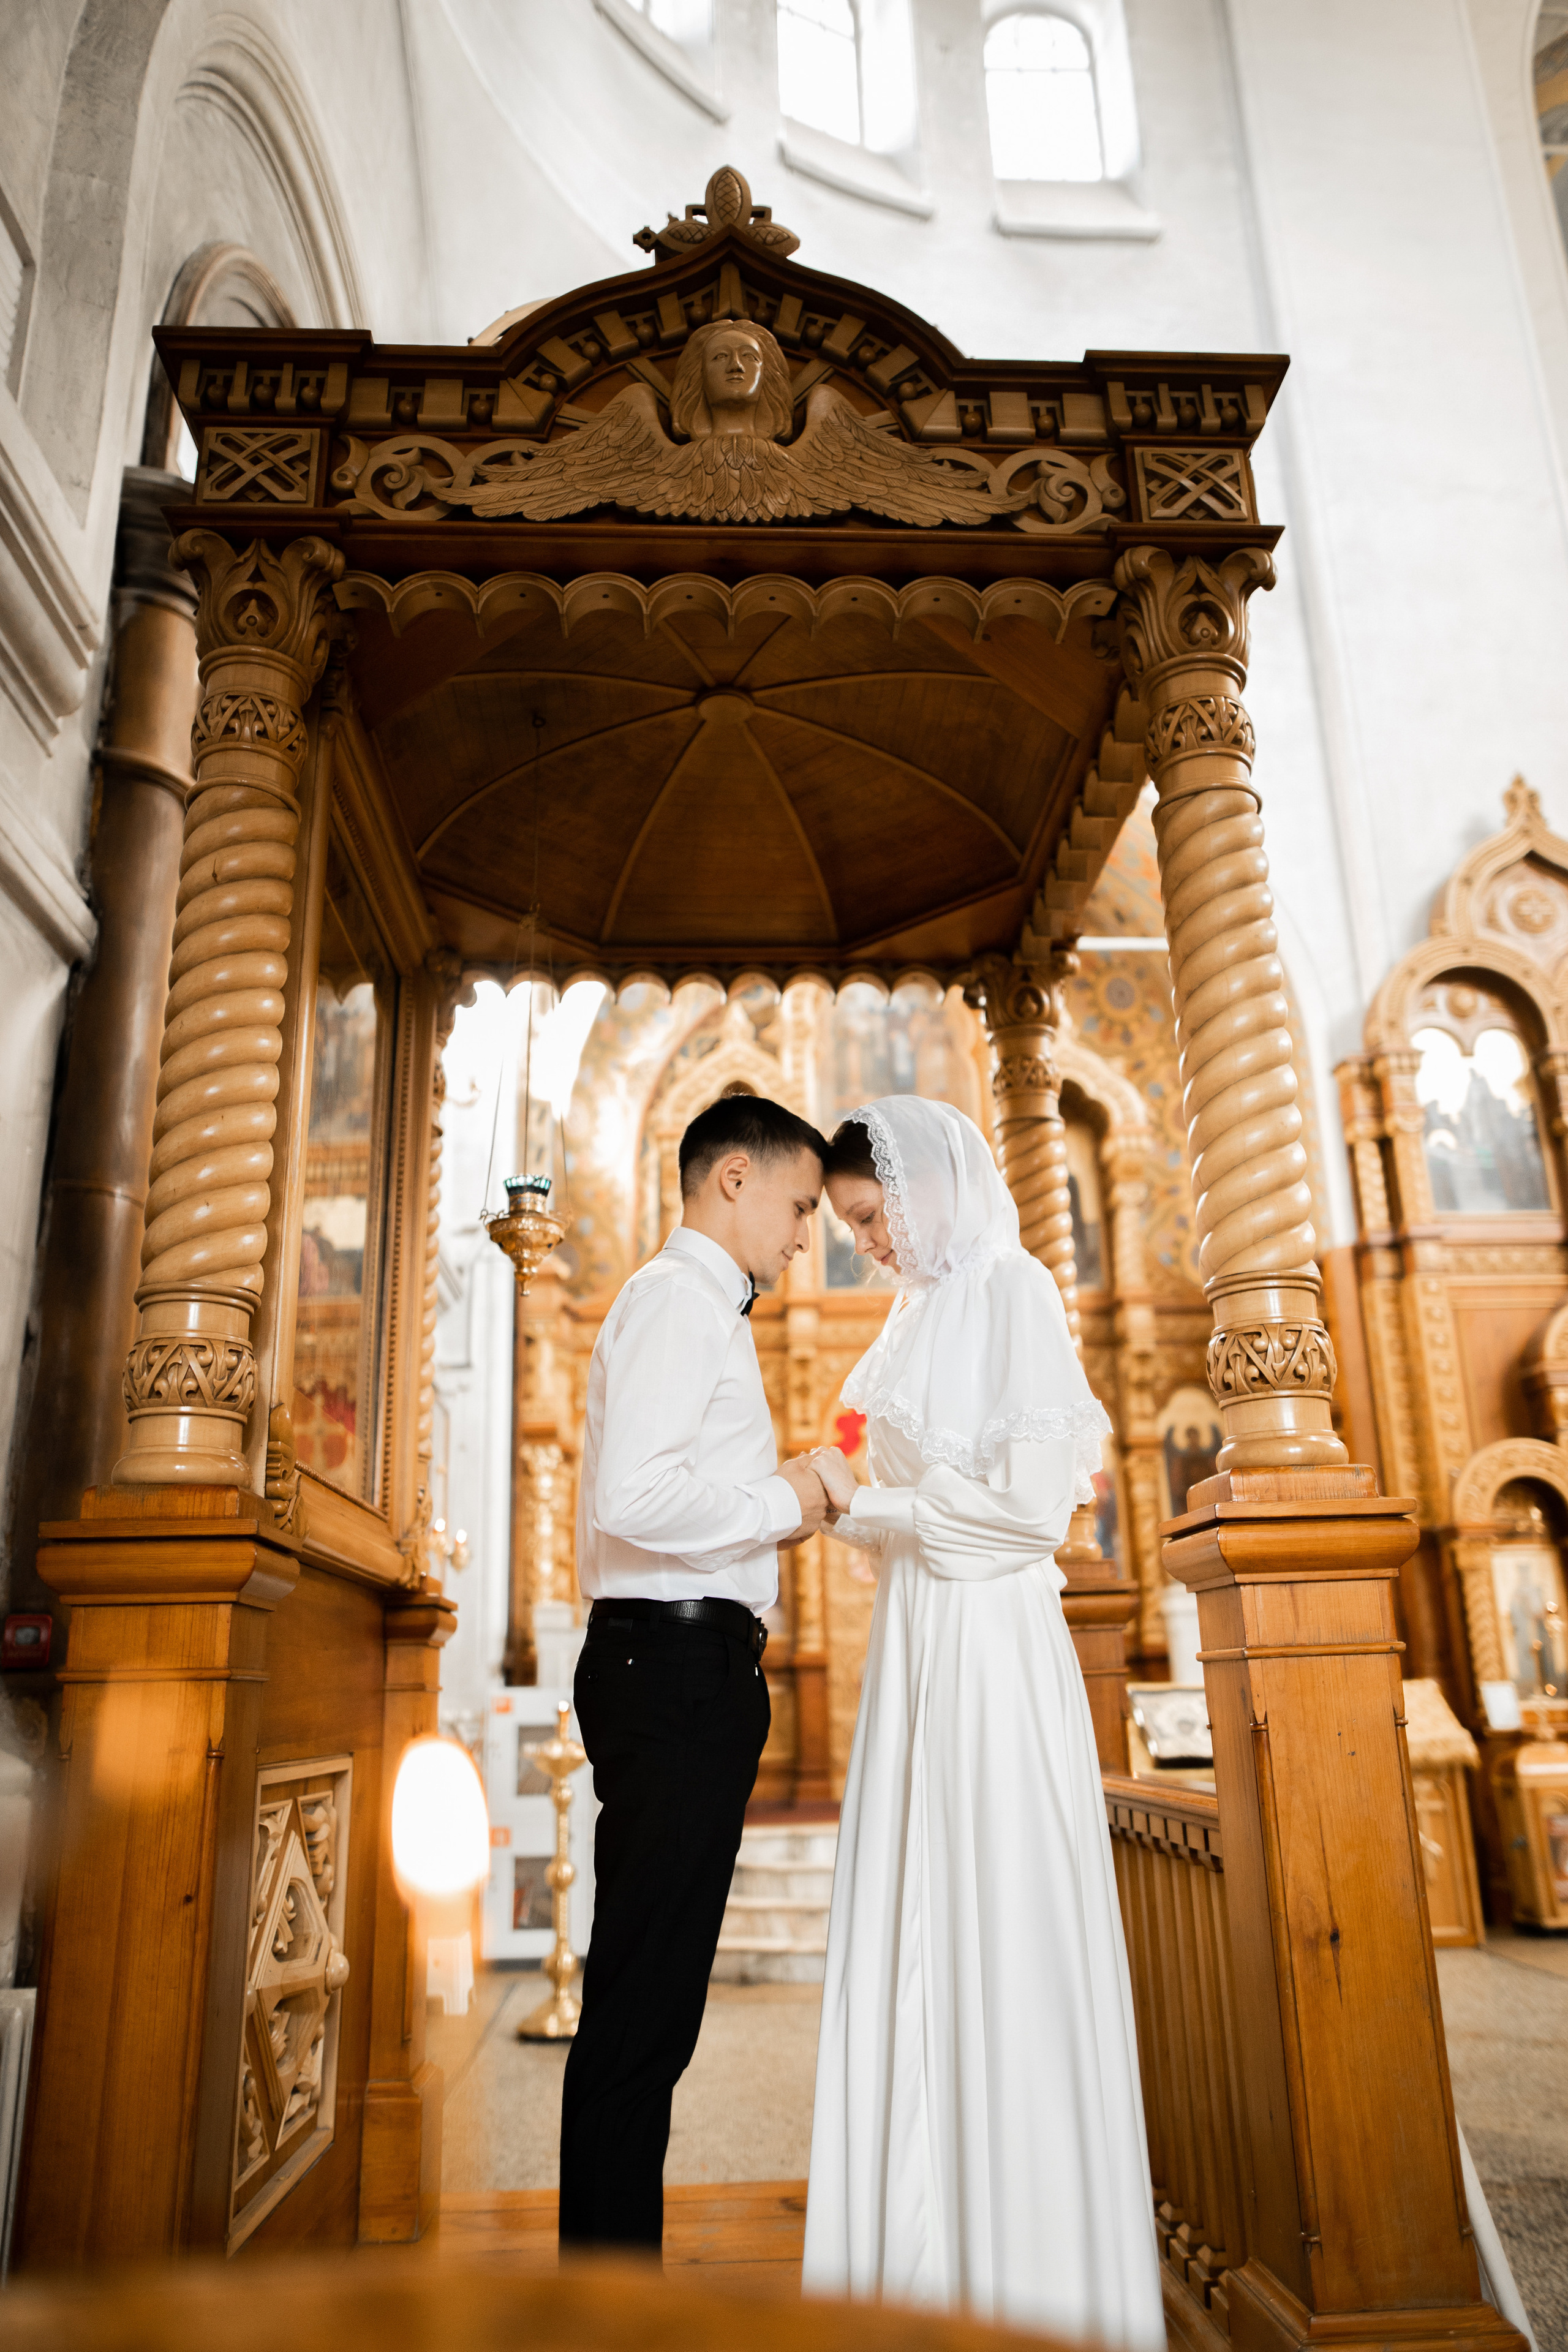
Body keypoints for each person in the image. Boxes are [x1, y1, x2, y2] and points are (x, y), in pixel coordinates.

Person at [802, 1095, 1165, 2348]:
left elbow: (1025, 1512)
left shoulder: (1011, 1289)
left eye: (867, 1218)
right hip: (917, 1638)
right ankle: (919, 2263)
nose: (865, 1244)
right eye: (851, 1224)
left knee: (994, 1918)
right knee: (915, 1919)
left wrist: (868, 1510)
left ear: (923, 1191)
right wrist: (842, 1499)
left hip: (990, 1641)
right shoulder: (907, 1322)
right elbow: (869, 1462)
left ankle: (1025, 2272)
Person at [559, 1091, 833, 2255]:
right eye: (800, 1204)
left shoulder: (697, 1307)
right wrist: (792, 1499)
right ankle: (603, 2303)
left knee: (652, 2003)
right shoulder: (679, 1303)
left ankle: (609, 2281)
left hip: (675, 1663)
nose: (805, 1234)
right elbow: (635, 1497)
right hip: (669, 1665)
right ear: (735, 1179)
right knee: (642, 2008)